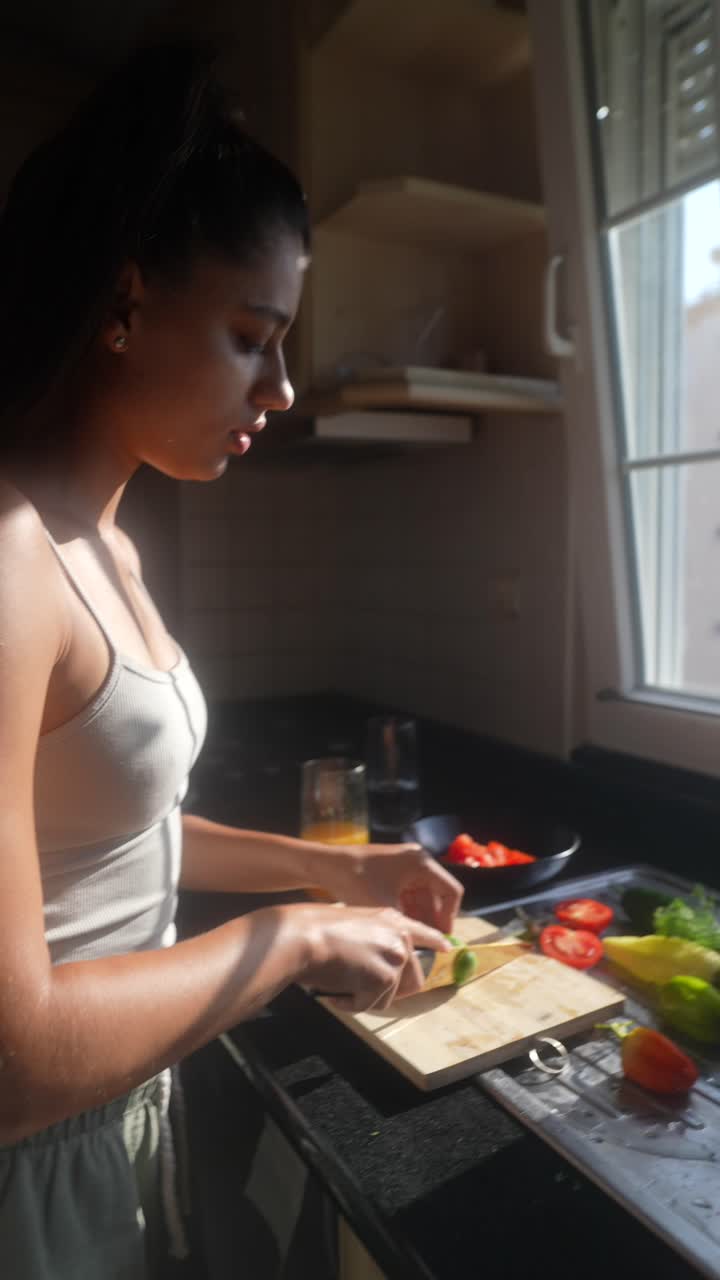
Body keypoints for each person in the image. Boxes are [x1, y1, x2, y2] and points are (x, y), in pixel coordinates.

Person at [0, 43, 463, 1279]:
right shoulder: (7, 561)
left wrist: (330, 868)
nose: (283, 382)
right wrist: (295, 941)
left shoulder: (111, 543)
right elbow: (13, 1056)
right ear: (127, 298)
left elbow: (112, 835)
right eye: (253, 336)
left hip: (126, 1118)